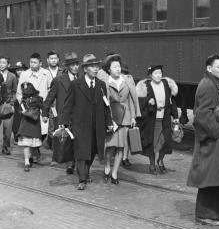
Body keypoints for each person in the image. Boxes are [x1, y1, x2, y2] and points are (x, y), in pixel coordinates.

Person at [186, 54, 219, 226]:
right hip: (212, 141)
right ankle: (205, 215)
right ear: (209, 68)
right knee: (211, 177)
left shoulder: (211, 83)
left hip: (215, 140)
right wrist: (217, 133)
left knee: (218, 177)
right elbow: (203, 115)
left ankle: (217, 213)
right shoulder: (208, 85)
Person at [61, 53, 112, 190]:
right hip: (80, 125)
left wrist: (109, 122)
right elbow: (68, 105)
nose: (96, 69)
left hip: (97, 125)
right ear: (85, 69)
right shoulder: (76, 84)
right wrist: (64, 123)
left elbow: (106, 106)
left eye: (97, 67)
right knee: (81, 152)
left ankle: (86, 172)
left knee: (92, 151)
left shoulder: (101, 85)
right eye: (92, 67)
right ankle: (82, 178)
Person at [101, 55, 140, 185]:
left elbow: (131, 100)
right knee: (110, 146)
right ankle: (107, 166)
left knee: (121, 148)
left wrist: (133, 116)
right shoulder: (105, 82)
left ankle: (114, 172)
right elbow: (104, 102)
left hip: (125, 117)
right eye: (115, 67)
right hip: (112, 117)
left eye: (119, 66)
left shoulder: (127, 80)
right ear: (109, 69)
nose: (118, 69)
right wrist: (107, 119)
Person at [136, 65, 180, 173]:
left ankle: (160, 160)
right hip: (152, 120)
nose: (158, 75)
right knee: (152, 143)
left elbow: (172, 103)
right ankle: (152, 165)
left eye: (160, 73)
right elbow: (139, 103)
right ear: (151, 75)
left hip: (164, 119)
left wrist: (176, 117)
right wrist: (148, 101)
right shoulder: (146, 86)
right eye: (156, 73)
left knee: (165, 142)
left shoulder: (166, 84)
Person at [44, 52, 79, 174]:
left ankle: (74, 162)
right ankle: (69, 163)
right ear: (68, 66)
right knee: (66, 140)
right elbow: (50, 98)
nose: (75, 67)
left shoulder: (81, 79)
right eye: (73, 65)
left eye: (77, 65)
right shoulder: (58, 80)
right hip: (63, 114)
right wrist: (44, 113)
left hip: (78, 116)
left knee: (77, 140)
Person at [18, 52, 52, 142]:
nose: (32, 64)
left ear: (40, 63)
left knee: (44, 130)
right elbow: (19, 92)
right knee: (31, 130)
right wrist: (23, 106)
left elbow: (51, 89)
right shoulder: (24, 74)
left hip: (43, 105)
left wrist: (49, 102)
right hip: (30, 107)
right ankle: (35, 150)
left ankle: (37, 146)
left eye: (35, 62)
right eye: (31, 62)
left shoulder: (46, 73)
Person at [16, 80, 45, 171]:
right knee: (26, 144)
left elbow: (43, 108)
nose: (25, 91)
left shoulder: (38, 99)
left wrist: (45, 116)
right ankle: (27, 161)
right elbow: (19, 111)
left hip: (32, 123)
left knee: (32, 144)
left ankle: (31, 158)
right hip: (26, 123)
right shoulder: (23, 100)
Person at [0, 56, 18, 155]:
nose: (1, 64)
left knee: (7, 128)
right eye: (0, 62)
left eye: (4, 62)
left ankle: (6, 146)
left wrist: (12, 102)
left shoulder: (12, 76)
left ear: (8, 65)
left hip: (8, 104)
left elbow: (15, 91)